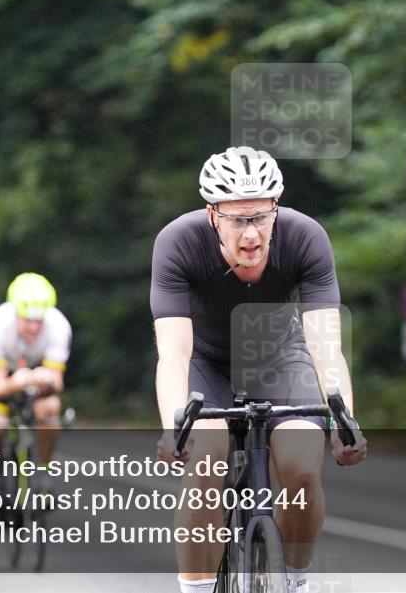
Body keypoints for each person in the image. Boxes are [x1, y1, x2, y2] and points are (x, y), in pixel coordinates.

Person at [151, 146, 368, 593]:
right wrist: (175, 428)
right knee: (203, 462)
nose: (251, 233)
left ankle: (295, 580)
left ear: (276, 209)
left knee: (302, 468)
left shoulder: (305, 237)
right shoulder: (178, 242)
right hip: (206, 365)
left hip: (280, 360)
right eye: (237, 219)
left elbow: (326, 347)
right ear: (213, 216)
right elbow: (173, 353)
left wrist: (343, 422)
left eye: (261, 217)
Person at [0, 272, 72, 494]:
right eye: (28, 320)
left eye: (39, 321)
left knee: (50, 408)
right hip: (0, 371)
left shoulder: (58, 326)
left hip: (36, 369)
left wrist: (47, 380)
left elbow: (57, 383)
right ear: (15, 312)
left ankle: (44, 472)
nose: (34, 327)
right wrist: (16, 382)